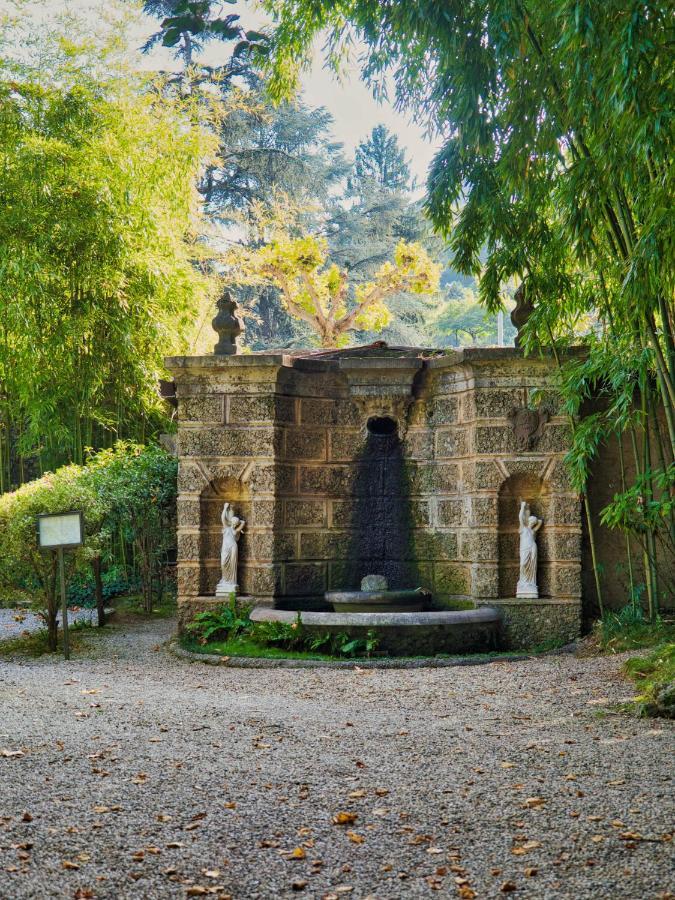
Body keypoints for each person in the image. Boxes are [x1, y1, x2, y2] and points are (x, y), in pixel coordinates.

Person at [217, 502, 245, 595]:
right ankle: (225, 579)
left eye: (235, 522)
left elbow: (243, 522)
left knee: (232, 565)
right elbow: (223, 519)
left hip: (233, 547)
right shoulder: (227, 528)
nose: (234, 522)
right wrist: (225, 508)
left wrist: (239, 523)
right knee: (223, 563)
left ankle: (231, 582)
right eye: (233, 521)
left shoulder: (235, 530)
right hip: (226, 548)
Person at [517, 499, 542, 599]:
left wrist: (535, 520)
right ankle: (523, 582)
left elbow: (540, 521)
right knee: (523, 564)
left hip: (532, 548)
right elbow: (520, 517)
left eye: (533, 522)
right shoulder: (523, 528)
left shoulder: (533, 531)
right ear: (528, 521)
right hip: (524, 549)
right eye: (532, 521)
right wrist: (523, 507)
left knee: (532, 566)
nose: (533, 523)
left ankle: (531, 583)